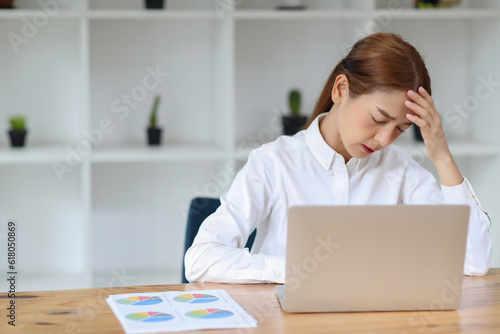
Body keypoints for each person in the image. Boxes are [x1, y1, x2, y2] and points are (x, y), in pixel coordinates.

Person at [185, 33, 493, 283]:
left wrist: (440, 154)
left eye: (401, 128)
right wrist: (297, 272)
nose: (385, 139)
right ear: (341, 89)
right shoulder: (274, 163)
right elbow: (201, 258)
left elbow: (473, 262)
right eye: (378, 118)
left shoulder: (399, 170)